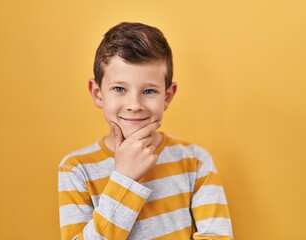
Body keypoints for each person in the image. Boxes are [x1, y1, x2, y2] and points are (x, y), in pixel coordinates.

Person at [58, 22, 233, 240]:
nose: (135, 105)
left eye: (149, 90)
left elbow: (217, 236)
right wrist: (124, 179)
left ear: (167, 97)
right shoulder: (76, 169)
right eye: (119, 89)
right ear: (97, 93)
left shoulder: (195, 160)